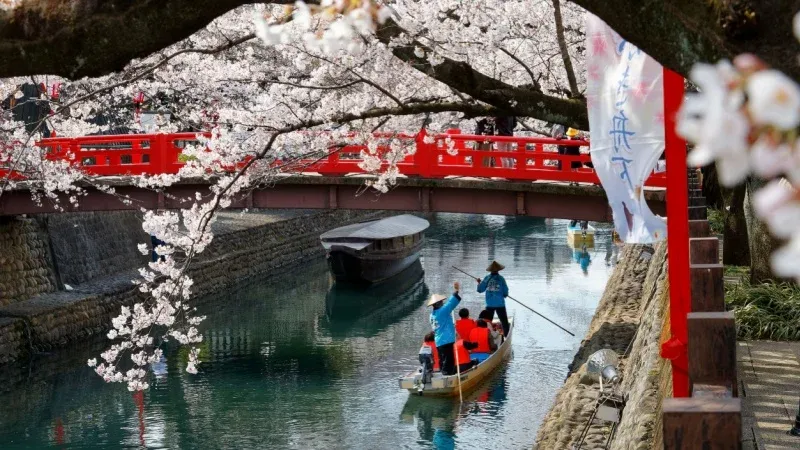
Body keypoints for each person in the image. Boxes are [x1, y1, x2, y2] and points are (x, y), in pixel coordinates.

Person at [428, 282, 462, 376]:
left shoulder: (432, 315)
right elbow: (451, 303)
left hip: (438, 340)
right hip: (446, 339)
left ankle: (443, 373)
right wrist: (456, 291)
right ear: (438, 303)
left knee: (442, 359)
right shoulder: (442, 311)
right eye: (441, 302)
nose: (443, 303)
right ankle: (447, 375)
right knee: (449, 359)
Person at [476, 261, 510, 336]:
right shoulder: (501, 279)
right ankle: (506, 336)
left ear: (491, 270)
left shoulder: (486, 278)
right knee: (504, 321)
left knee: (487, 322)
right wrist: (504, 295)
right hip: (500, 304)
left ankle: (487, 336)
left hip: (489, 304)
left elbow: (480, 290)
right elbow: (505, 293)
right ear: (498, 270)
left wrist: (478, 283)